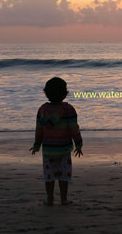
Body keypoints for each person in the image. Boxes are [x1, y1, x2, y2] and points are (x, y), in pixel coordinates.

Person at [30, 77, 83, 205]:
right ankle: (64, 199)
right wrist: (78, 143)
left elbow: (39, 129)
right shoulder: (68, 109)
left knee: (49, 175)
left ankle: (50, 199)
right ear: (65, 94)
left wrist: (37, 144)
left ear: (45, 93)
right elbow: (73, 128)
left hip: (48, 149)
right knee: (64, 175)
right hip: (64, 149)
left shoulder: (42, 110)